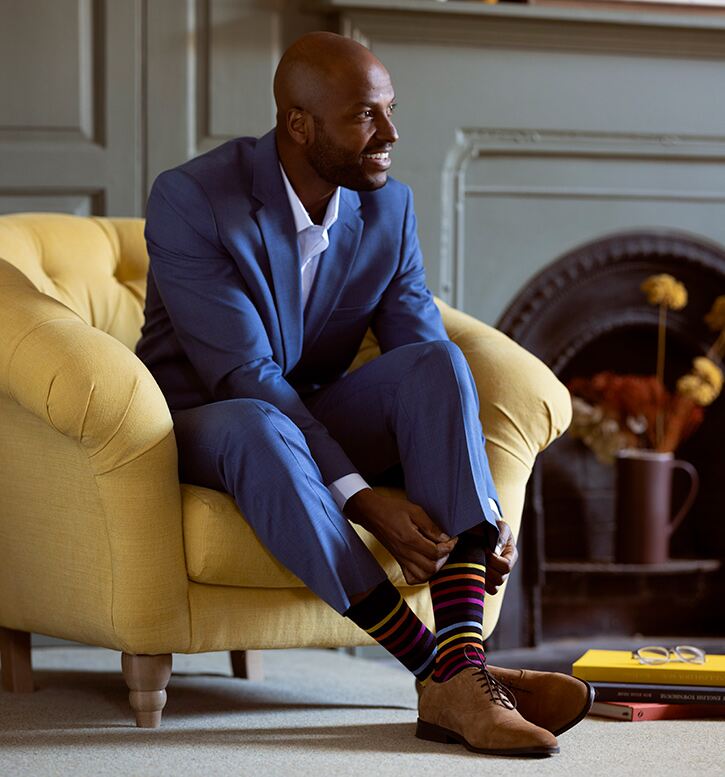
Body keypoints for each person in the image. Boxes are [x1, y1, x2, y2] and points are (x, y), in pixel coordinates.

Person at [136, 31, 592, 757]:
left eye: (390, 110)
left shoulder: (387, 208)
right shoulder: (193, 199)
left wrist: (475, 503)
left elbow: (417, 357)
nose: (390, 133)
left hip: (307, 412)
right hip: (199, 419)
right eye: (364, 116)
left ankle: (460, 671)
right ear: (298, 124)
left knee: (437, 362)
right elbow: (245, 373)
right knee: (259, 421)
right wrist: (358, 494)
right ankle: (443, 672)